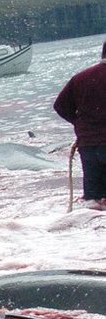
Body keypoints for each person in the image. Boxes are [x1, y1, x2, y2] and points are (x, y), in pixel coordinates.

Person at [54, 40, 106, 209]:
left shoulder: (80, 77)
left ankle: (83, 232)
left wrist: (80, 124)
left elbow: (59, 106)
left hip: (88, 147)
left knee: (93, 202)